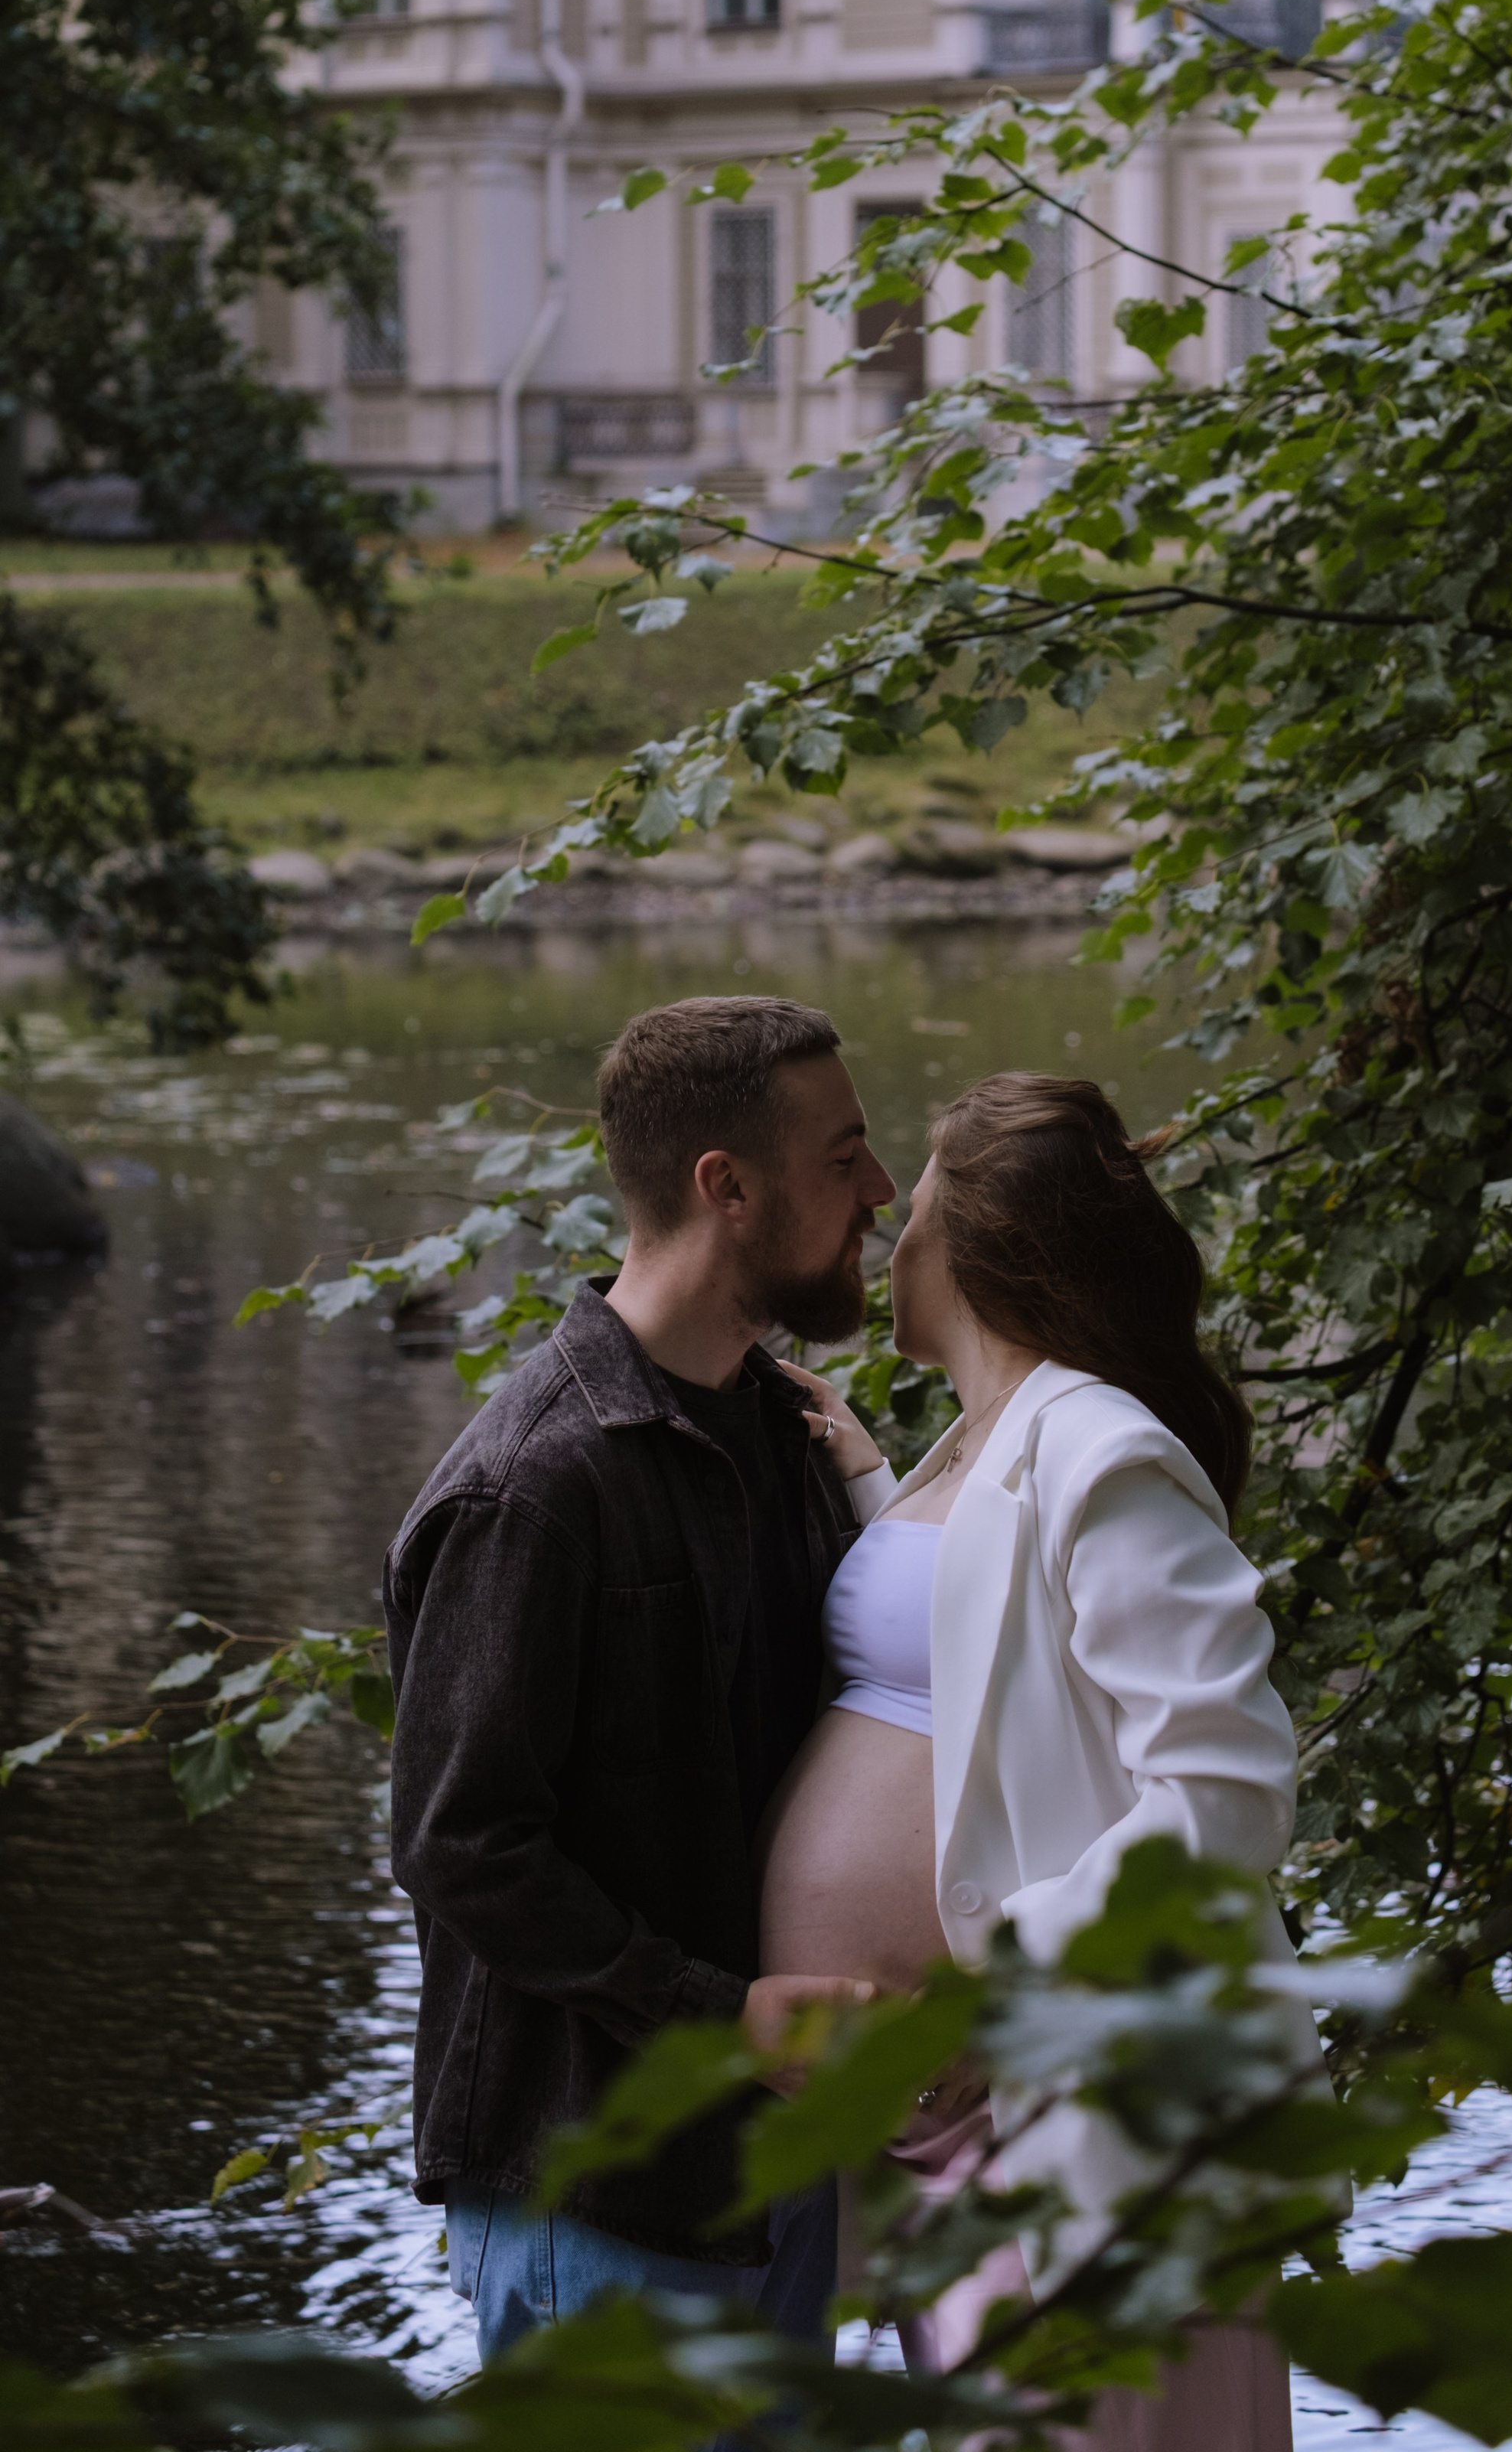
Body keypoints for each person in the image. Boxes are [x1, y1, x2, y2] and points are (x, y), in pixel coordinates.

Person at [757, 1072, 1308, 2452]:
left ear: (978, 1235)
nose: (888, 1218)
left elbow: (1228, 1789)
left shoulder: (1102, 1449)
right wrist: (871, 1488)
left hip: (1058, 2094)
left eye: (914, 1197)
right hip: (937, 2125)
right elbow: (978, 1652)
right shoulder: (982, 1443)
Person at [383, 994, 898, 2382]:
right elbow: (461, 1844)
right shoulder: (532, 1488)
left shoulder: (785, 1434)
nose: (881, 1189)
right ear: (726, 1187)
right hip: (603, 2194)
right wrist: (724, 2017)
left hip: (775, 2168)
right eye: (843, 1156)